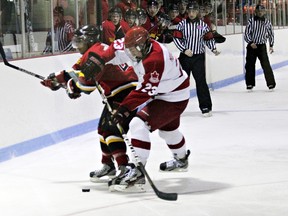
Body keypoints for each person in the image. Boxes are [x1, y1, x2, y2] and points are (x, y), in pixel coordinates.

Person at [79, 26, 191, 192]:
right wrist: (98, 60)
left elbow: (145, 91)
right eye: (128, 49)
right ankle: (182, 160)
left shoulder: (156, 59)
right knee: (168, 132)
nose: (130, 54)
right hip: (163, 91)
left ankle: (137, 171)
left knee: (138, 124)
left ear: (142, 46)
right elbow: (112, 51)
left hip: (173, 97)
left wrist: (123, 109)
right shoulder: (136, 47)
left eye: (132, 50)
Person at [40, 25, 138, 186]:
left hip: (125, 92)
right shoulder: (93, 51)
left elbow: (86, 85)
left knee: (112, 129)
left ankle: (124, 167)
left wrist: (71, 86)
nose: (77, 45)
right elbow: (78, 72)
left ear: (90, 40)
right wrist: (57, 79)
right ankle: (108, 165)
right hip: (117, 93)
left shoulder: (96, 53)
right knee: (103, 129)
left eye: (80, 41)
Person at [173, 2, 220, 117]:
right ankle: (175, 107)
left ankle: (205, 106)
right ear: (187, 12)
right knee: (181, 82)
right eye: (190, 11)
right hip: (185, 57)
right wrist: (184, 49)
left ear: (197, 12)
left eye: (194, 11)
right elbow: (176, 39)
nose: (192, 13)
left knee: (201, 82)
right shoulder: (182, 24)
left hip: (198, 57)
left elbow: (208, 38)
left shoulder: (203, 25)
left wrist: (213, 48)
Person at [244, 4, 276, 91]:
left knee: (266, 65)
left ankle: (271, 84)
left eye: (262, 11)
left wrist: (271, 45)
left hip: (262, 46)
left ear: (264, 12)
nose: (260, 13)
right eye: (259, 11)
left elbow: (270, 34)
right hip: (252, 46)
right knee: (250, 65)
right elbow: (246, 34)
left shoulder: (267, 22)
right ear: (255, 12)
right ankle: (250, 84)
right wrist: (250, 42)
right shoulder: (251, 21)